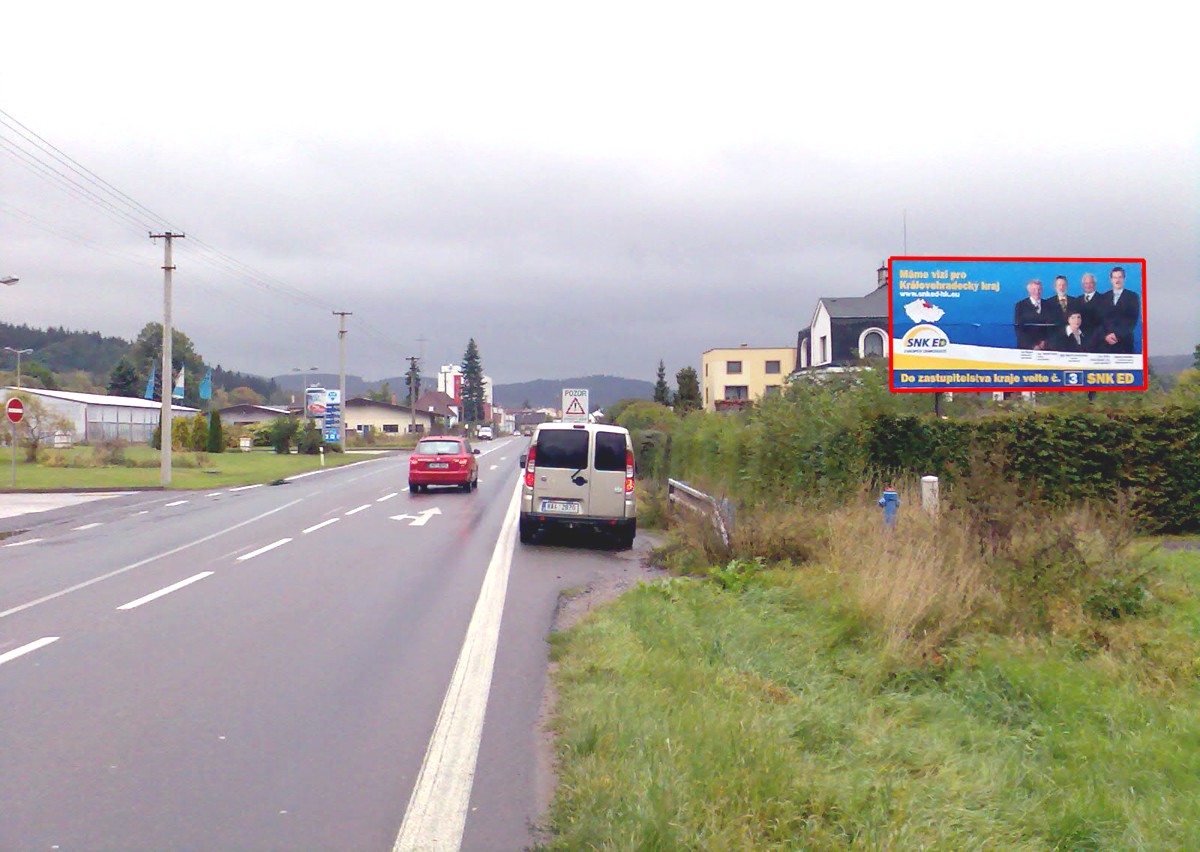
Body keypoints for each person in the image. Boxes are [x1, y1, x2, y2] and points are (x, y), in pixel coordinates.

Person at [1099, 266, 1140, 354]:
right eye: (1115, 277)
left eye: (1120, 277)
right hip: (1106, 344)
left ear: (1124, 279)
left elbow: (1132, 320)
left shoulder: (1132, 297)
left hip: (1125, 343)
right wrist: (1106, 335)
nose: (1117, 280)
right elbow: (1100, 319)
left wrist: (1117, 335)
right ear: (1111, 280)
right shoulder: (1104, 297)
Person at [1013, 279, 1052, 350]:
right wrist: (1032, 345)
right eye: (1034, 289)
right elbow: (1019, 328)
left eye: (1039, 289)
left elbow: (1051, 327)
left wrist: (1044, 342)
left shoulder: (1049, 305)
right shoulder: (1020, 306)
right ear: (1029, 290)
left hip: (1046, 348)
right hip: (1027, 348)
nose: (1037, 292)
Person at [1078, 272, 1104, 337]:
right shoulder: (1077, 300)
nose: (1088, 285)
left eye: (1091, 283)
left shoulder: (1103, 299)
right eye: (1086, 283)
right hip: (1081, 338)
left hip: (1098, 338)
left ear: (1095, 284)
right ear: (1082, 285)